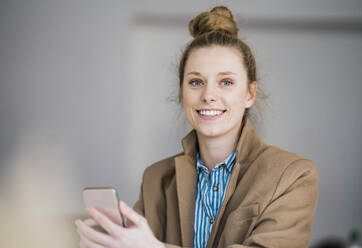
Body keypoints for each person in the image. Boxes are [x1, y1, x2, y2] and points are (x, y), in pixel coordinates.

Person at [75, 6, 318, 248]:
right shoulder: (156, 179)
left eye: (226, 82)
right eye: (196, 82)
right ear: (182, 94)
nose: (208, 95)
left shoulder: (293, 175)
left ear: (250, 94)